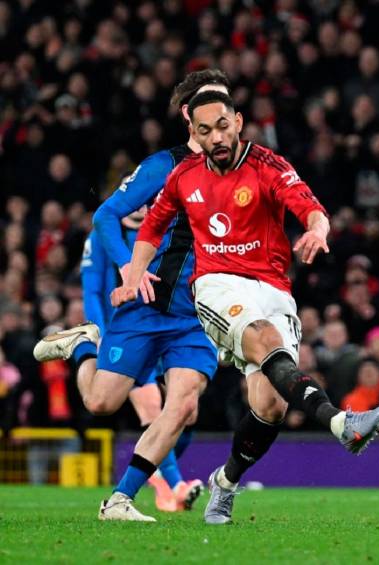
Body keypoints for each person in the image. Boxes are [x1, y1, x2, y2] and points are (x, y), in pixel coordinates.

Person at [113, 90, 379, 525]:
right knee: (265, 340)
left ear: (238, 122)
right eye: (204, 131)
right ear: (195, 134)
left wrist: (317, 231)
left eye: (222, 126)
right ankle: (339, 423)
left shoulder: (268, 166)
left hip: (273, 287)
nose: (216, 137)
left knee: (272, 405)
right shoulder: (184, 176)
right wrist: (134, 271)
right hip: (217, 285)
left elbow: (312, 209)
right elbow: (151, 227)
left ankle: (224, 482)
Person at [33, 70, 233, 522]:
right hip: (144, 308)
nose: (221, 122)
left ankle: (123, 499)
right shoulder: (163, 166)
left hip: (195, 316)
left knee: (182, 405)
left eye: (226, 110)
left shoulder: (243, 170)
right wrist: (129, 265)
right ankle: (84, 342)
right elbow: (106, 215)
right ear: (189, 116)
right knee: (101, 402)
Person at [80, 204, 201, 512]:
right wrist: (99, 330)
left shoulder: (165, 228)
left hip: (168, 326)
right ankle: (173, 486)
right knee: (141, 406)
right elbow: (93, 290)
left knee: (186, 413)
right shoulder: (107, 234)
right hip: (128, 330)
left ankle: (161, 479)